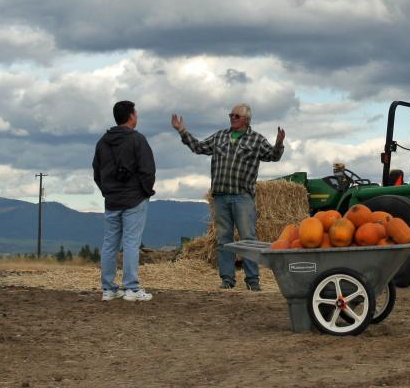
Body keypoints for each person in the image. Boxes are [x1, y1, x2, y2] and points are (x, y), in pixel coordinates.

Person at [171, 103, 284, 290]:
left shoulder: (256, 140)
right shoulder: (220, 136)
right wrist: (182, 131)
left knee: (248, 239)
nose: (232, 118)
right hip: (221, 196)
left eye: (236, 116)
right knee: (224, 240)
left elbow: (273, 156)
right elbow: (199, 147)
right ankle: (227, 280)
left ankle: (252, 281)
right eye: (231, 115)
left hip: (243, 197)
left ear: (246, 120)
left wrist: (279, 143)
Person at [93, 100, 157, 302]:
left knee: (109, 244)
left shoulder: (103, 141)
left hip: (112, 200)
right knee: (131, 243)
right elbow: (148, 169)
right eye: (135, 113)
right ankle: (131, 288)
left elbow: (96, 171)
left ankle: (108, 289)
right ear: (131, 116)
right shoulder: (137, 139)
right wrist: (144, 192)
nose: (136, 116)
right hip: (134, 199)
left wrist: (107, 191)